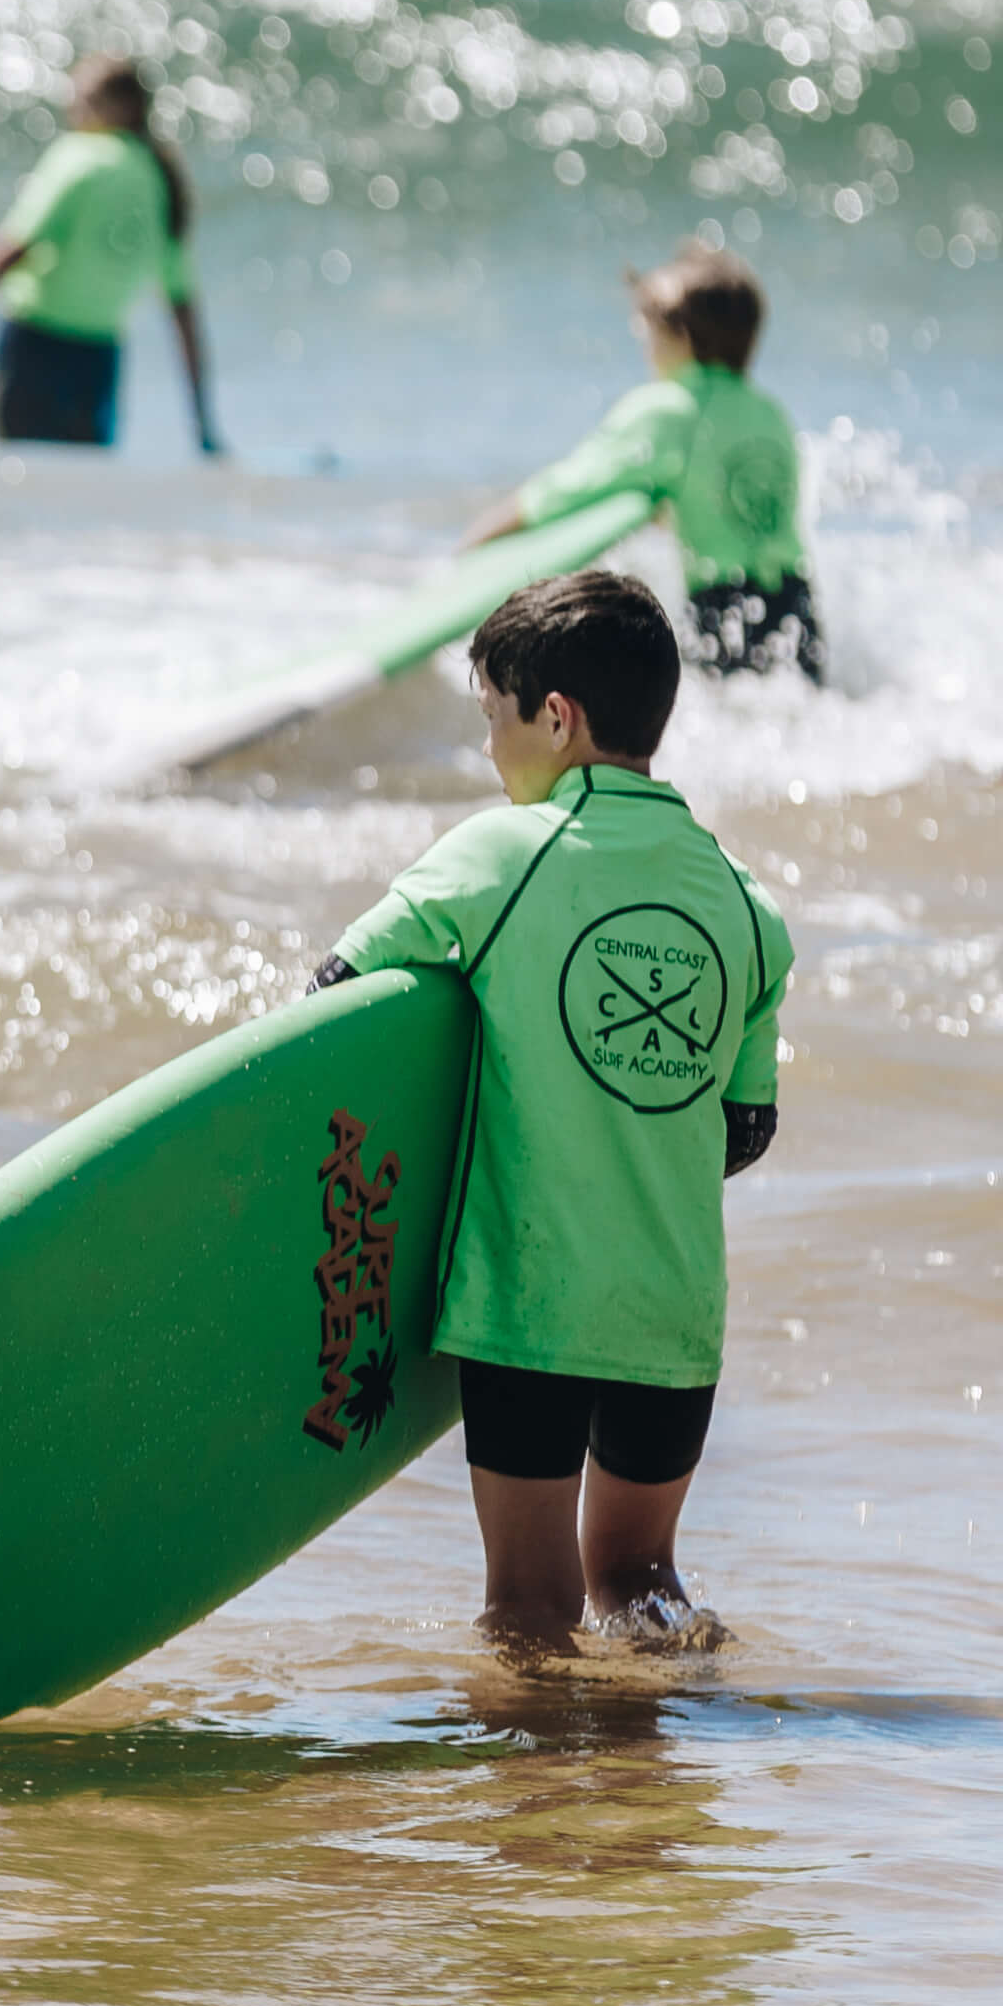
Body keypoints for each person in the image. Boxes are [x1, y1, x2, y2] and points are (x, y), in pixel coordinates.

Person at [313, 570, 791, 1653]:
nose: (490, 749)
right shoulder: (745, 903)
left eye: (494, 716)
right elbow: (744, 1131)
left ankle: (539, 1815)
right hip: (673, 1310)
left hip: (529, 1303)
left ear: (556, 716)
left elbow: (338, 992)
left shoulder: (498, 854)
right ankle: (652, 1790)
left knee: (529, 1605)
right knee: (641, 1579)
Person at [468, 246, 819, 682]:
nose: (643, 342)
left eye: (648, 329)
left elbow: (572, 486)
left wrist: (483, 535)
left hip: (723, 609)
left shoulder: (668, 409)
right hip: (797, 605)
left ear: (682, 338)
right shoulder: (770, 413)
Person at [0, 53, 217, 453]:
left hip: (36, 354)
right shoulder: (161, 181)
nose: (72, 108)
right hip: (98, 363)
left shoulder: (80, 157)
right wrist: (203, 423)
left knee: (26, 491)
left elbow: (11, 250)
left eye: (85, 99)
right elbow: (183, 311)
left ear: (123, 107)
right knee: (85, 499)